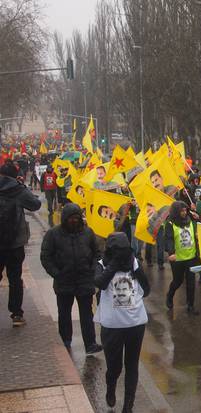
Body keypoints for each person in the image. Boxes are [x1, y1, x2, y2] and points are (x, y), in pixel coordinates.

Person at [94, 232, 150, 413]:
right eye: (118, 251)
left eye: (124, 251)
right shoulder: (102, 264)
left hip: (136, 324)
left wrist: (134, 270)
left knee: (132, 364)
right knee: (114, 366)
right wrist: (114, 265)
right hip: (112, 326)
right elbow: (100, 283)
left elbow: (147, 288)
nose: (122, 254)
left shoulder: (133, 262)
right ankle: (111, 387)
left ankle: (128, 405)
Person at [40, 203, 103, 354]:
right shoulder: (53, 234)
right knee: (64, 314)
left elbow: (97, 253)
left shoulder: (88, 233)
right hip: (64, 281)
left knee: (87, 314)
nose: (74, 221)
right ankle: (66, 341)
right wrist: (57, 273)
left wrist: (92, 270)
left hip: (84, 280)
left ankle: (90, 344)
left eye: (76, 218)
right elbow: (46, 257)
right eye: (71, 219)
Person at [0, 163, 41, 326]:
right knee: (15, 278)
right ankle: (16, 314)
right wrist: (22, 186)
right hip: (15, 242)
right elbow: (35, 205)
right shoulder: (17, 189)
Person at [164, 201, 200, 314]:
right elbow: (169, 239)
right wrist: (171, 253)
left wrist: (198, 218)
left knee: (191, 282)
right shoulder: (170, 223)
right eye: (182, 211)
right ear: (176, 212)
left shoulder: (191, 219)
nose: (184, 213)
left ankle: (190, 305)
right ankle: (170, 295)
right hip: (177, 258)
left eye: (185, 210)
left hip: (191, 257)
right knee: (178, 281)